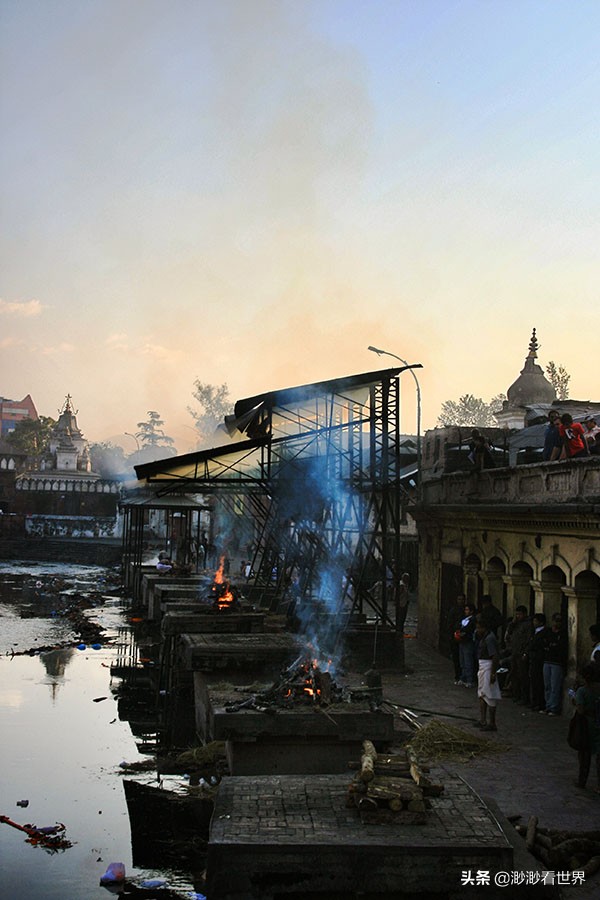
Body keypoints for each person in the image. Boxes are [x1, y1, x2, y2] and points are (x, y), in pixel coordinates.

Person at [573, 663, 600, 791]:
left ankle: (582, 780)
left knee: (584, 755)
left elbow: (580, 710)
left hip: (587, 724)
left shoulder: (582, 691)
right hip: (597, 721)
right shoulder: (597, 689)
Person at [474, 615, 501, 731]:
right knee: (482, 694)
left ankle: (492, 722)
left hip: (488, 667)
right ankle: (483, 720)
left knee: (490, 695)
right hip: (482, 666)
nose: (477, 630)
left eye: (479, 628)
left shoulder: (490, 638)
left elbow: (494, 656)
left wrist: (493, 673)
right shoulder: (484, 637)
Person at [504, 605, 533, 704]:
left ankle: (524, 698)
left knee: (523, 676)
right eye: (516, 614)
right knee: (514, 674)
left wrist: (525, 652)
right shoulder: (516, 624)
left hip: (521, 653)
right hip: (514, 652)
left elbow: (528, 640)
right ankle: (516, 694)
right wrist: (513, 623)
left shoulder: (528, 625)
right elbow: (509, 633)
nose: (518, 616)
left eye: (519, 614)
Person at [542, 612, 568, 715]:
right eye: (556, 620)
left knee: (555, 686)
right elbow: (543, 643)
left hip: (557, 662)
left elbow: (560, 647)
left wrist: (551, 646)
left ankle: (554, 707)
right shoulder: (548, 632)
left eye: (559, 621)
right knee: (547, 685)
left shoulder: (562, 634)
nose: (558, 623)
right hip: (547, 661)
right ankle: (548, 705)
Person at [526, 612, 547, 711]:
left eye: (535, 621)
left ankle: (539, 703)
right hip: (533, 659)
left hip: (538, 660)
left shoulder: (543, 633)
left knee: (538, 682)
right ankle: (534, 701)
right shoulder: (534, 632)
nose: (534, 623)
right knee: (533, 681)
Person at [446, 593, 467, 683]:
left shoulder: (466, 610)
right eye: (459, 599)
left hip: (463, 638)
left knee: (464, 658)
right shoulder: (453, 610)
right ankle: (458, 675)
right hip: (455, 637)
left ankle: (463, 675)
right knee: (456, 657)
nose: (461, 601)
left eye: (462, 599)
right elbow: (449, 624)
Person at [457, 603, 477, 688]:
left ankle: (469, 679)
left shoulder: (472, 620)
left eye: (467, 610)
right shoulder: (464, 619)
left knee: (468, 661)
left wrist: (464, 633)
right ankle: (463, 677)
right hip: (462, 642)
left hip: (468, 642)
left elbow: (469, 629)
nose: (466, 611)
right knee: (463, 661)